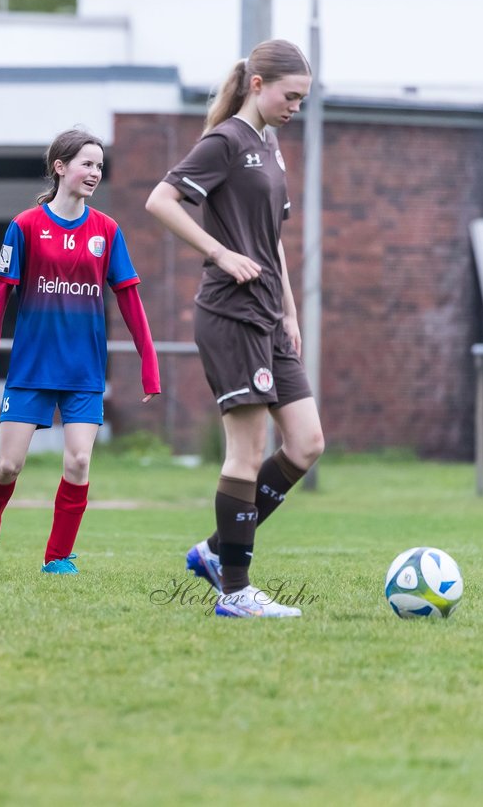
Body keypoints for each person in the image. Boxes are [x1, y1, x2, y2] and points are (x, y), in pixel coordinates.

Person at [144, 38, 325, 618]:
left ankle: (216, 551)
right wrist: (221, 254)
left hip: (270, 314)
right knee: (246, 452)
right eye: (290, 95)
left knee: (306, 443)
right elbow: (160, 200)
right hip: (231, 312)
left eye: (303, 98)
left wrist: (291, 312)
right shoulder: (224, 142)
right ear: (257, 84)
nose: (296, 107)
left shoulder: (270, 149)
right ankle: (236, 591)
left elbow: (271, 238)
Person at [0, 129, 160, 574]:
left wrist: (149, 365)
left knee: (80, 459)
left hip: (84, 369)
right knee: (8, 466)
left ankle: (57, 558)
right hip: (31, 368)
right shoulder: (25, 226)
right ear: (60, 167)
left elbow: (129, 299)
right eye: (87, 163)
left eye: (100, 166)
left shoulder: (107, 231)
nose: (95, 173)